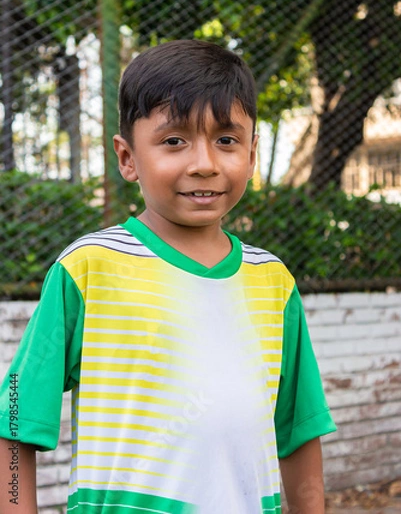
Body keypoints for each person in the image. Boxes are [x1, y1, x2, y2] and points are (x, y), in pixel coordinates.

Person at [0, 39, 336, 514]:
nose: (204, 163)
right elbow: (14, 418)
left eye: (226, 139)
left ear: (253, 152)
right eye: (174, 140)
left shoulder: (274, 282)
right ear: (127, 157)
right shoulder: (88, 268)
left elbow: (299, 433)